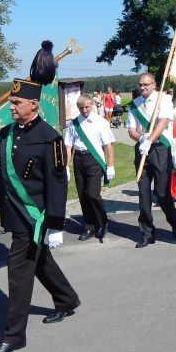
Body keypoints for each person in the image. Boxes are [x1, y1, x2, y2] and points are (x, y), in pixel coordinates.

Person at [0, 41, 80, 352]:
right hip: (13, 214)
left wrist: (56, 224)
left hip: (35, 219)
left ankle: (13, 336)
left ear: (34, 105)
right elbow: (0, 175)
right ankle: (66, 299)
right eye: (11, 102)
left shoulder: (50, 138)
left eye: (16, 102)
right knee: (41, 262)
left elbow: (57, 183)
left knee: (18, 272)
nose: (11, 107)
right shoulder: (7, 133)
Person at [126, 72, 176, 247]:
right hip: (142, 150)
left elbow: (163, 122)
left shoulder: (164, 99)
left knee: (162, 193)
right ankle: (147, 233)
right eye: (140, 85)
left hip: (160, 149)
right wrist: (141, 138)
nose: (142, 87)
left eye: (146, 84)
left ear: (154, 85)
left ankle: (174, 221)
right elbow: (131, 130)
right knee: (143, 195)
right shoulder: (134, 104)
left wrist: (150, 140)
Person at [64, 93, 115, 243]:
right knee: (82, 195)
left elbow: (108, 146)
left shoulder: (101, 122)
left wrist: (110, 166)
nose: (84, 110)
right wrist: (66, 166)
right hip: (78, 159)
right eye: (81, 108)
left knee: (93, 194)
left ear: (92, 105)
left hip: (94, 159)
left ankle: (102, 222)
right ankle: (89, 226)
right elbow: (68, 146)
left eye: (87, 107)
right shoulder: (73, 124)